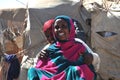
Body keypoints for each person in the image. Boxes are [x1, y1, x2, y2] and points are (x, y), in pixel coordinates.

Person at [28, 15, 96, 80]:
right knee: (32, 71)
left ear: (70, 28)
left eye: (64, 26)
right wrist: (40, 57)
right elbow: (39, 66)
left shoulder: (78, 44)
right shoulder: (49, 49)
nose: (60, 29)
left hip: (71, 76)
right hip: (52, 77)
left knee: (78, 69)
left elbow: (93, 62)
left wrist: (91, 57)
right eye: (56, 28)